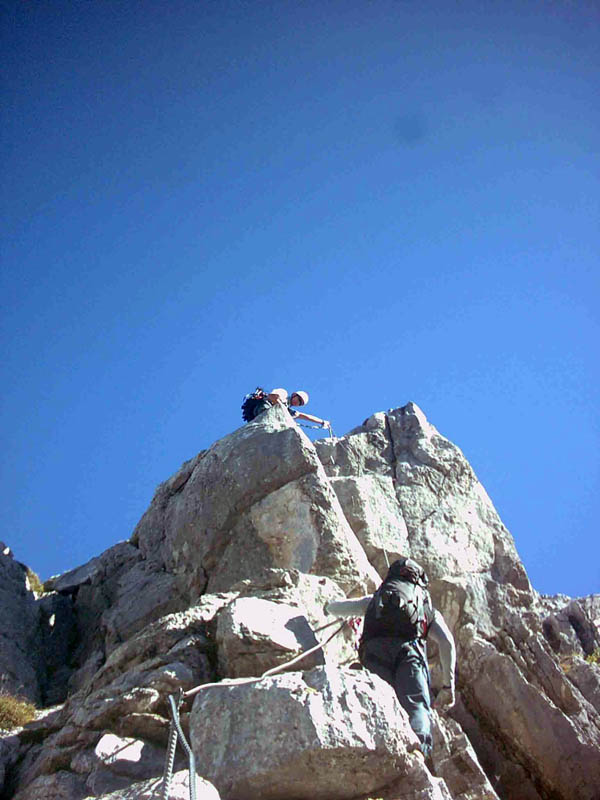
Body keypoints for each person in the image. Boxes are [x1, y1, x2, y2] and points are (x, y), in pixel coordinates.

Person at [325, 556, 456, 758]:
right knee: (417, 705)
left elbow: (339, 608)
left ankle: (373, 752)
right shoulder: (424, 607)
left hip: (373, 653)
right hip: (409, 654)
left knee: (376, 703)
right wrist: (448, 686)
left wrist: (327, 607)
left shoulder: (379, 598)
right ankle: (418, 751)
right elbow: (447, 643)